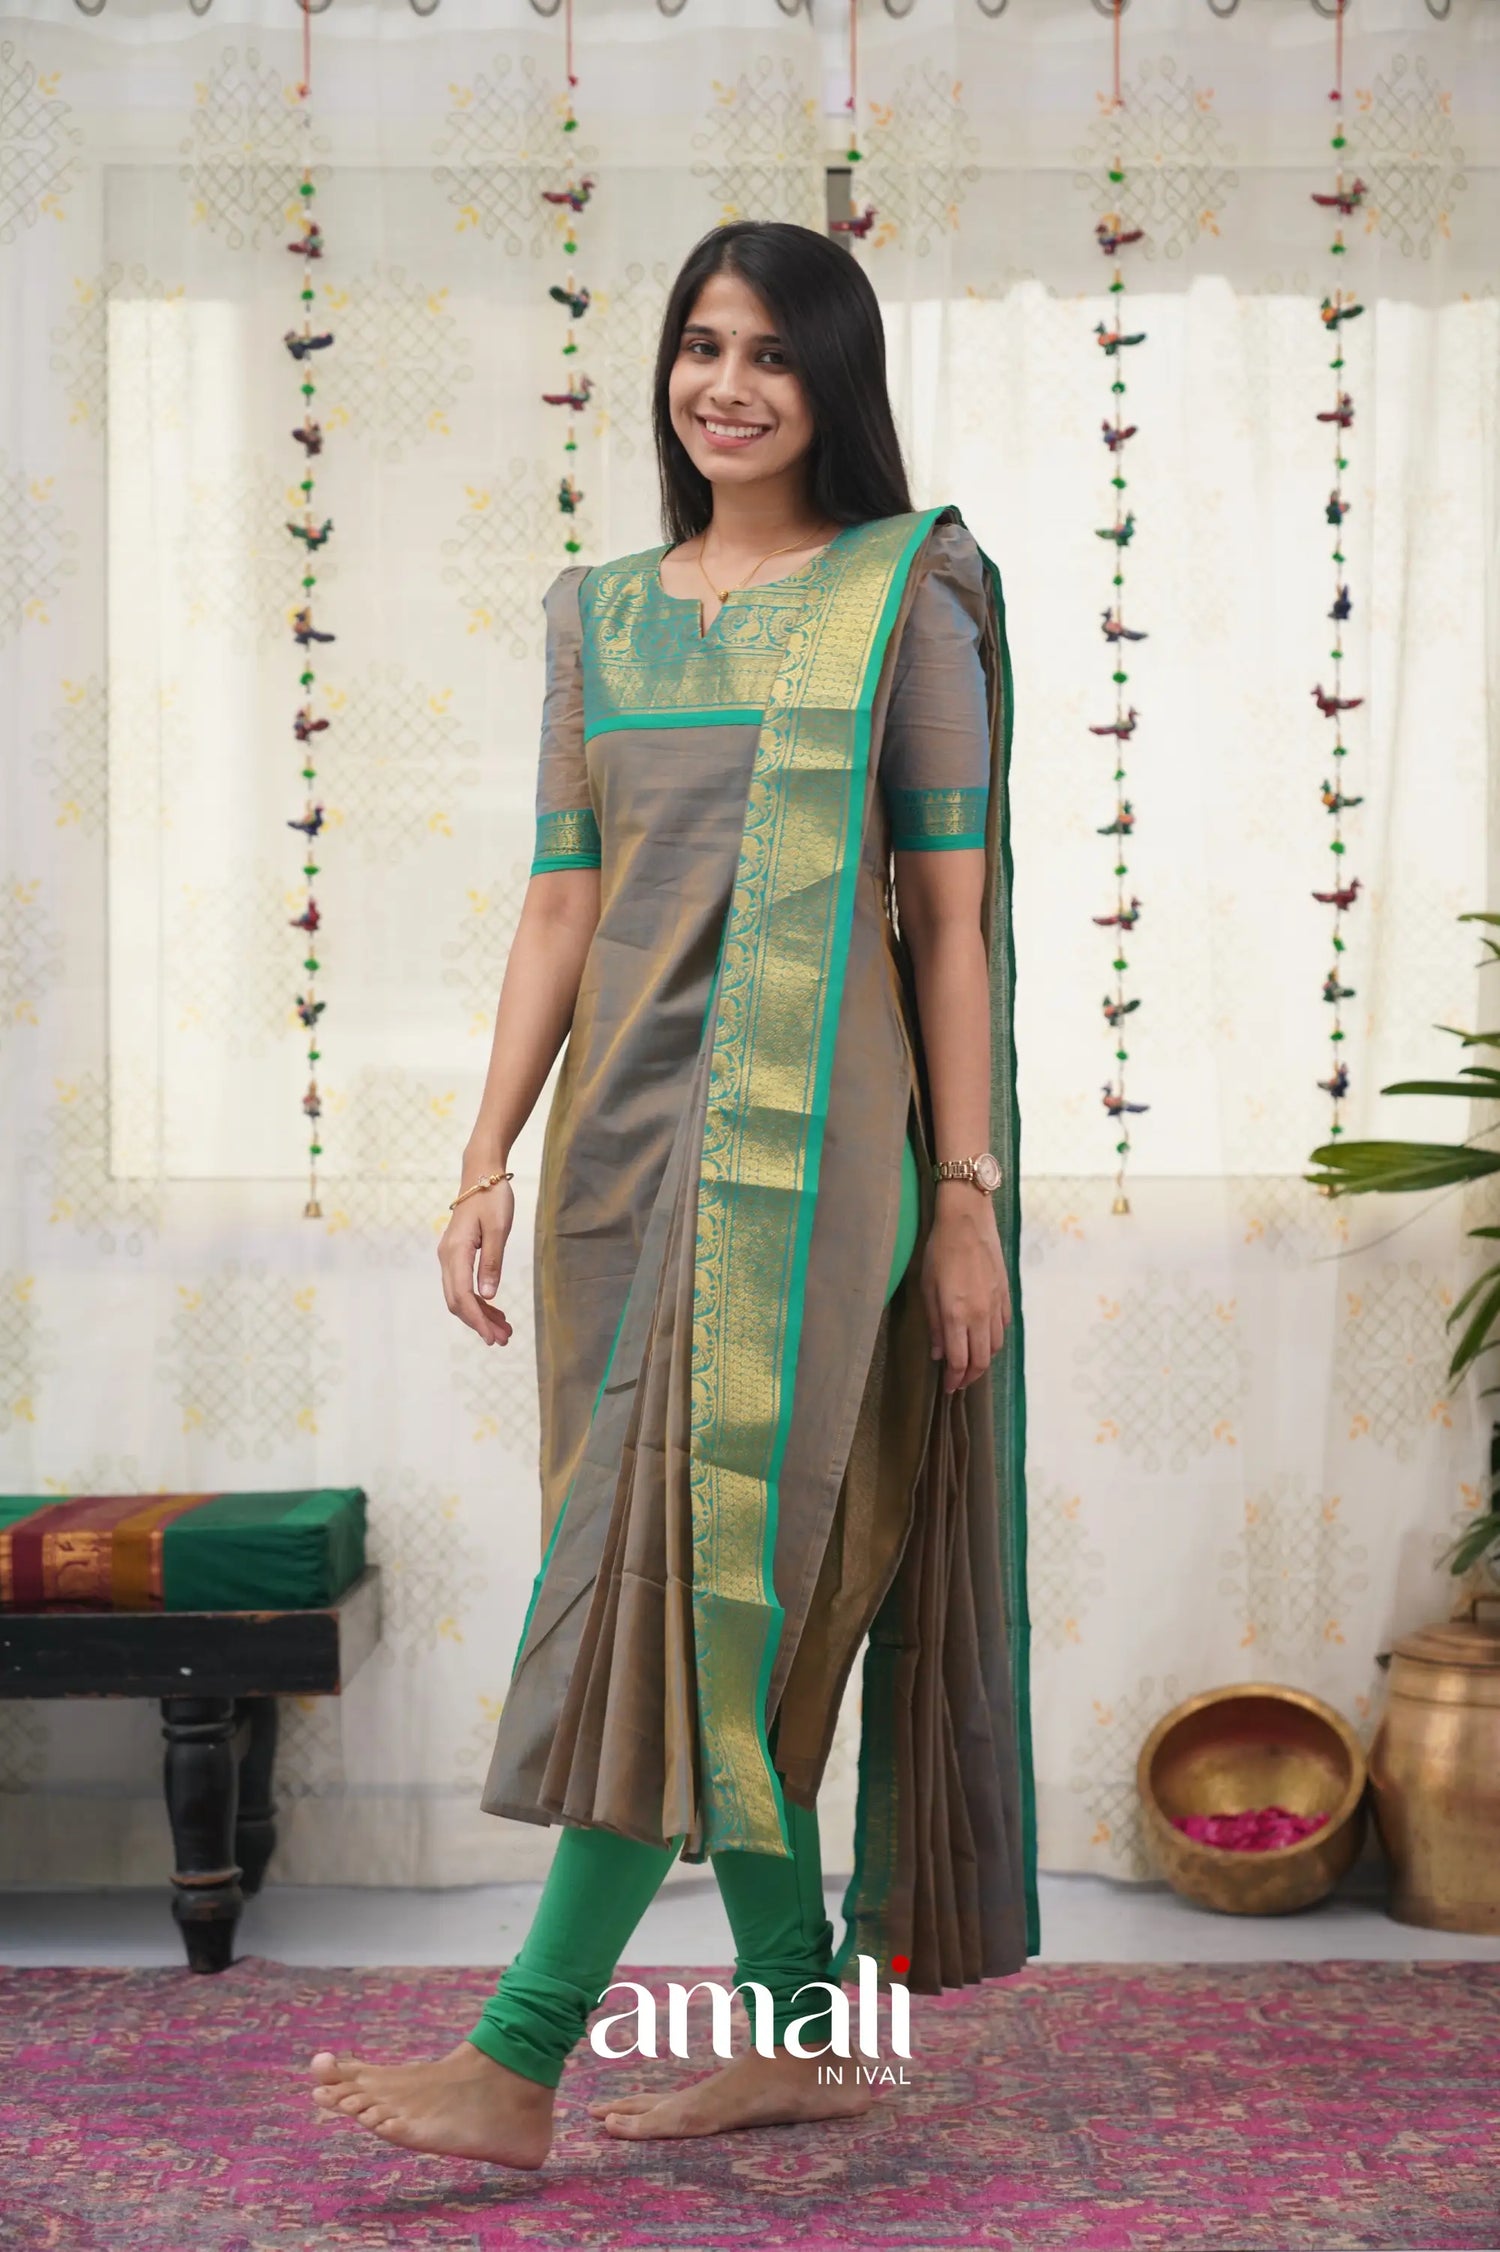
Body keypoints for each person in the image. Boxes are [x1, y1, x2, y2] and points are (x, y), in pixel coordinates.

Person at [311, 218, 1035, 2168]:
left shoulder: (906, 596)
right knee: (681, 1591)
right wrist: (484, 1155)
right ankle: (798, 2028)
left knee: (701, 1583)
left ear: (833, 382)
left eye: (773, 354)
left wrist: (966, 1195)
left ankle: (519, 2052)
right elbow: (563, 903)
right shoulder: (599, 616)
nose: (728, 384)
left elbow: (950, 920)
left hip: (818, 1162)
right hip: (616, 1159)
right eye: (702, 345)